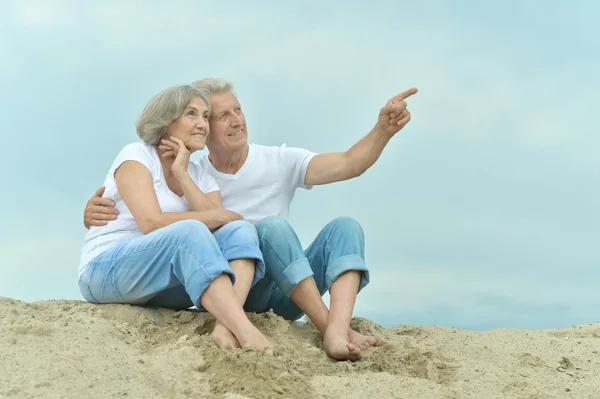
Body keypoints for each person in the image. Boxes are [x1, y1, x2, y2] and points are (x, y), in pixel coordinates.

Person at [84, 78, 417, 361]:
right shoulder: (191, 169)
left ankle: (337, 327)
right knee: (267, 228)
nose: (235, 120)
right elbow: (160, 220)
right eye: (220, 116)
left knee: (345, 227)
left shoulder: (274, 161)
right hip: (240, 287)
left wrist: (382, 131)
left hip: (290, 286)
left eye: (238, 110)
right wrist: (94, 209)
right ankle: (303, 327)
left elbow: (348, 163)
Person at [79, 83, 270, 349]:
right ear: (166, 122)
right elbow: (152, 224)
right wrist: (215, 217)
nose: (202, 123)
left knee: (242, 232)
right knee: (191, 231)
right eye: (191, 114)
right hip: (106, 270)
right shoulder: (136, 155)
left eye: (205, 115)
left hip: (158, 286)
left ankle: (225, 327)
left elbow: (231, 225)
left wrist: (182, 172)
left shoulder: (200, 176)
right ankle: (246, 332)